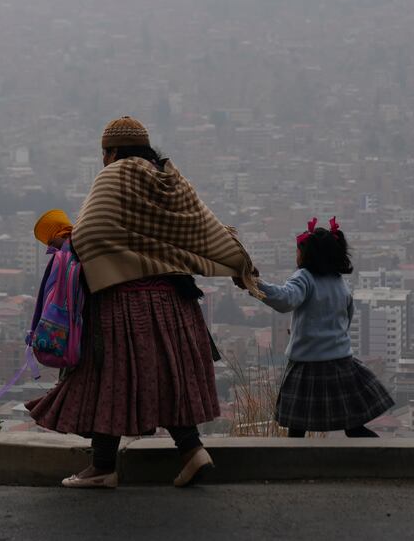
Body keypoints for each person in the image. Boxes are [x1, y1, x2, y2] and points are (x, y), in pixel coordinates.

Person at [27, 116, 262, 490]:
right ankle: (192, 450)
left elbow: (89, 234)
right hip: (175, 301)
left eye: (105, 153)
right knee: (167, 376)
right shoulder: (172, 180)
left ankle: (103, 466)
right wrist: (240, 263)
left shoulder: (114, 176)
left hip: (124, 302)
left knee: (111, 379)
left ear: (114, 150)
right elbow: (204, 228)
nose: (104, 160)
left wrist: (68, 242)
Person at [256, 217, 393, 438]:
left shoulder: (304, 278)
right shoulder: (338, 281)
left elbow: (285, 300)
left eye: (298, 250)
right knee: (354, 426)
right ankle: (380, 456)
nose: (296, 255)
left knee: (297, 428)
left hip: (307, 364)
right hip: (341, 363)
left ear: (308, 255)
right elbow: (345, 318)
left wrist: (256, 284)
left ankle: (294, 466)